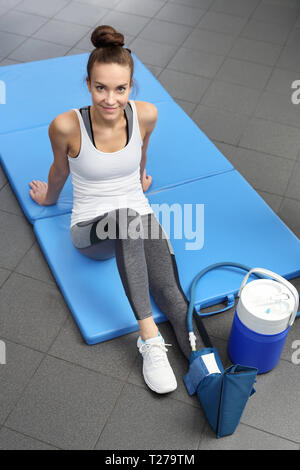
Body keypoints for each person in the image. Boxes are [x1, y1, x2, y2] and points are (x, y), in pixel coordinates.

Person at [29, 25, 203, 395]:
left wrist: (139, 178)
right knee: (127, 221)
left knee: (171, 291)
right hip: (90, 231)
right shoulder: (66, 126)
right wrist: (47, 199)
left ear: (131, 85)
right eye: (100, 88)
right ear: (88, 83)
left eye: (120, 89)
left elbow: (140, 152)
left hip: (136, 214)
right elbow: (59, 171)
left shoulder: (146, 115)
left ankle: (207, 367)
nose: (111, 99)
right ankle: (149, 339)